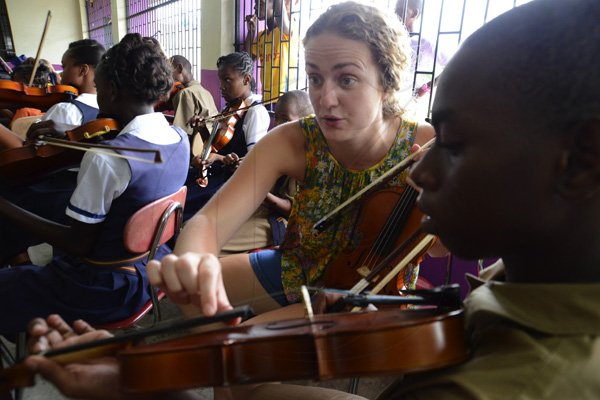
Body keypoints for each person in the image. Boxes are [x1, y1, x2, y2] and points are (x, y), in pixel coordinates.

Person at [22, 0, 600, 399]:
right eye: (315, 77)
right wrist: (195, 262)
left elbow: (458, 234)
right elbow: (205, 224)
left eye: (346, 78)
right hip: (297, 267)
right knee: (182, 293)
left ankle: (225, 377)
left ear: (386, 83)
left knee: (230, 350)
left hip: (367, 293)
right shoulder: (293, 140)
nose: (325, 97)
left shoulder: (427, 146)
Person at [0, 33, 190, 336]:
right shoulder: (178, 138)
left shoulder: (107, 158)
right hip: (152, 267)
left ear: (112, 91)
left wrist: (6, 208)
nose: (97, 95)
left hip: (104, 289)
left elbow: (77, 243)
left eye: (99, 88)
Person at [220, 89, 312, 255]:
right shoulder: (277, 145)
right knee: (193, 229)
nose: (278, 124)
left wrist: (261, 191)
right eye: (276, 117)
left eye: (286, 119)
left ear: (305, 121)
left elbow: (292, 210)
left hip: (278, 221)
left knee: (214, 244)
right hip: (258, 208)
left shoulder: (306, 157)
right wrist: (237, 166)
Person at [183, 51, 270, 221]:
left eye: (227, 80)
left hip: (231, 181)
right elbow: (215, 146)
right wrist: (201, 129)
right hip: (217, 173)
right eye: (220, 80)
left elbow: (253, 162)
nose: (221, 86)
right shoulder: (231, 108)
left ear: (246, 79)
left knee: (186, 201)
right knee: (179, 184)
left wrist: (218, 158)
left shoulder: (255, 112)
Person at [0, 39, 104, 150]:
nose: (61, 75)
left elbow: (28, 154)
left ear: (83, 70)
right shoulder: (105, 107)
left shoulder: (66, 110)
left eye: (64, 67)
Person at [395, 0, 449, 119]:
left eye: (399, 9)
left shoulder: (425, 44)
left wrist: (427, 87)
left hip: (408, 106)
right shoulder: (389, 40)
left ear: (414, 13)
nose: (394, 13)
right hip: (385, 102)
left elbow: (452, 65)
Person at [244, 0, 298, 106]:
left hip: (284, 99)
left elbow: (281, 19)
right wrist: (251, 32)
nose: (255, 7)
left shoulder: (287, 31)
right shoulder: (261, 36)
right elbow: (247, 60)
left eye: (261, 3)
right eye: (255, 3)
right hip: (266, 98)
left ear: (275, 5)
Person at [168, 55, 218, 140]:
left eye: (169, 72)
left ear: (179, 68)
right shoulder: (206, 92)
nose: (168, 76)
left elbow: (181, 132)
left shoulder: (185, 93)